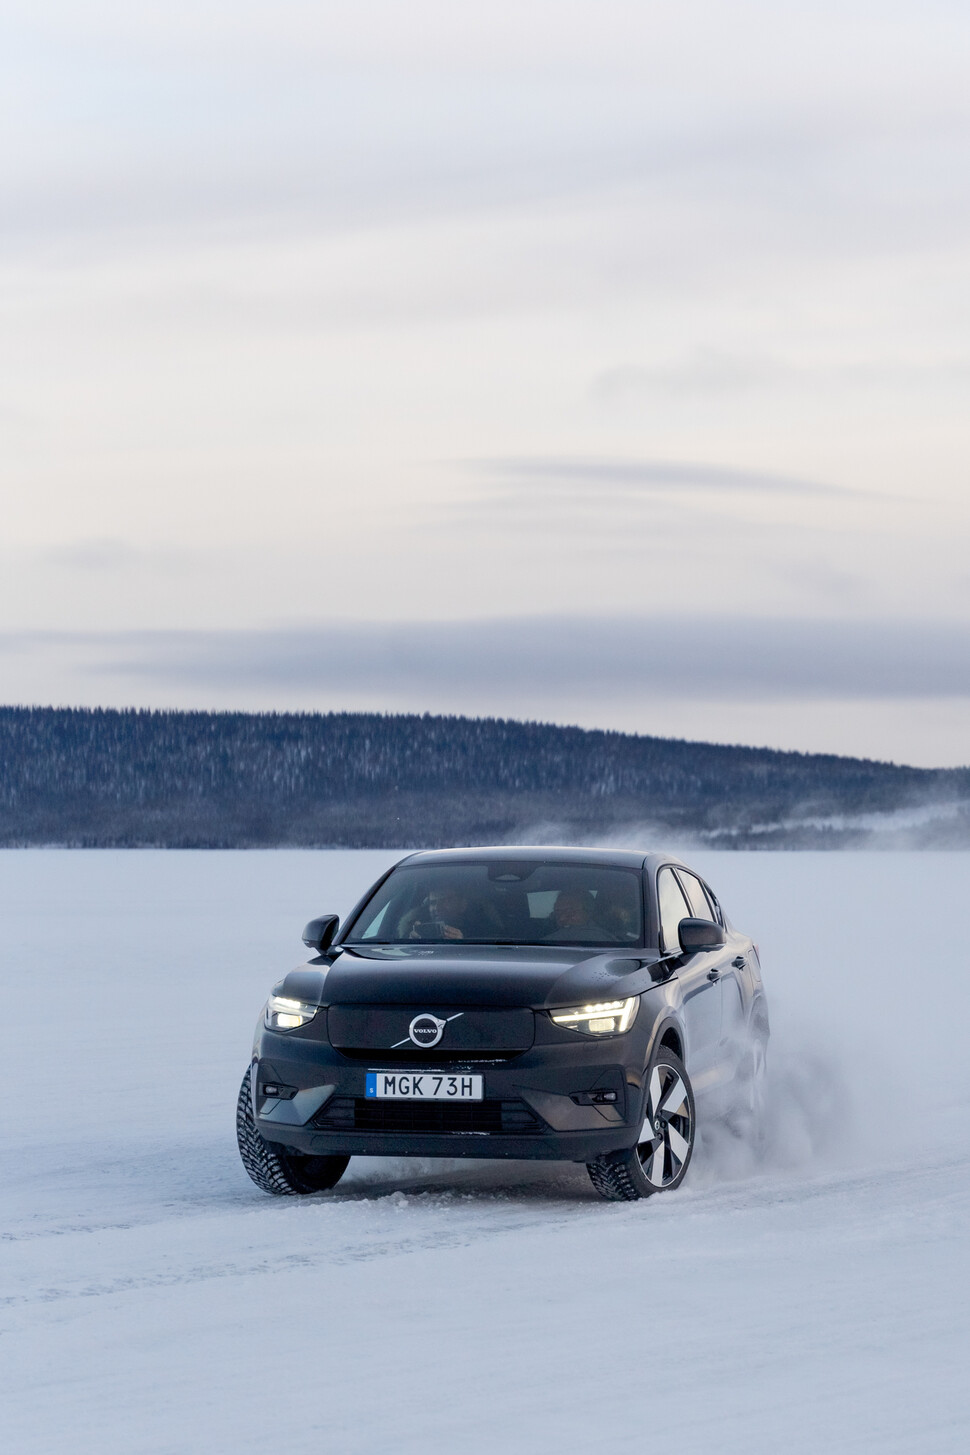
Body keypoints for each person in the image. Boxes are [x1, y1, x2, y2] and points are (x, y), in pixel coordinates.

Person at [542, 888, 618, 942]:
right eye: (557, 913)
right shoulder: (613, 939)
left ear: (589, 912)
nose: (562, 918)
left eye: (570, 912)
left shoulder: (597, 937)